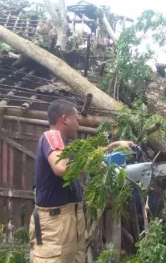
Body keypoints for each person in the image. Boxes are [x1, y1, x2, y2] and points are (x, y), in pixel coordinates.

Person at [29, 99, 135, 263]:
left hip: (71, 219)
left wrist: (112, 146)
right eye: (76, 120)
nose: (78, 125)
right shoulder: (52, 135)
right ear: (64, 119)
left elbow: (86, 155)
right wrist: (92, 162)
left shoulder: (68, 145)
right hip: (56, 223)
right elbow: (61, 168)